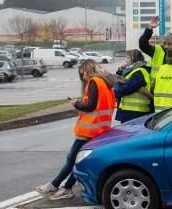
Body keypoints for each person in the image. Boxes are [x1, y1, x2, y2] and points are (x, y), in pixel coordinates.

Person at [36, 60, 116, 200]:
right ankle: (66, 187)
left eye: (83, 73)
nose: (83, 77)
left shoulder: (94, 82)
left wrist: (76, 103)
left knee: (71, 159)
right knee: (78, 161)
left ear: (87, 70)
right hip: (100, 128)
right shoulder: (105, 82)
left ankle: (55, 185)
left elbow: (90, 106)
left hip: (89, 129)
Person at [113, 49, 151, 123]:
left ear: (134, 59)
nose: (125, 60)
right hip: (130, 111)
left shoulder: (139, 72)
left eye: (128, 58)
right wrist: (120, 72)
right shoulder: (130, 71)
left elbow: (123, 90)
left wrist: (117, 84)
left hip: (136, 112)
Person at [139, 16, 166, 90]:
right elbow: (142, 43)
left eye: (169, 44)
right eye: (165, 44)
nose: (167, 46)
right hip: (155, 88)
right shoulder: (158, 51)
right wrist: (149, 28)